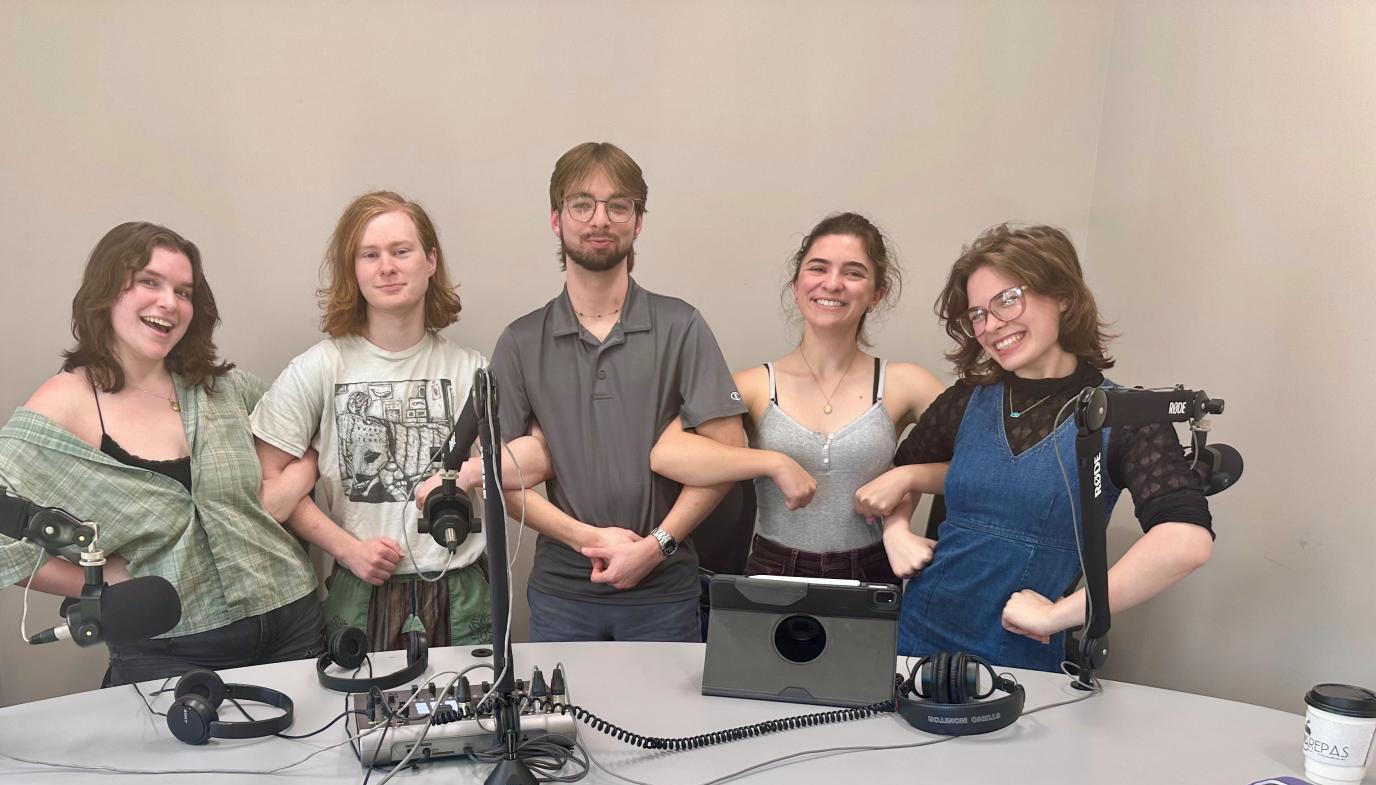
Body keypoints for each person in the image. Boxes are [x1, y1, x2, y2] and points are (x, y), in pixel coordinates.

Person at [0, 221, 324, 687]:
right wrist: (106, 579)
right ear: (107, 292)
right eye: (149, 282)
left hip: (296, 624)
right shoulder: (66, 403)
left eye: (184, 291)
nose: (169, 302)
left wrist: (294, 482)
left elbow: (308, 440)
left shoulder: (222, 388)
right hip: (170, 651)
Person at [877, 223, 1213, 671]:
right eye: (977, 314)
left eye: (1007, 300)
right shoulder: (965, 399)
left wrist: (1059, 615)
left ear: (1064, 298)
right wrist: (895, 533)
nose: (992, 325)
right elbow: (895, 478)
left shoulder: (1125, 418)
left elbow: (1187, 542)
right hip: (915, 631)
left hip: (1018, 650)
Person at [493, 141, 747, 642]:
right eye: (581, 204)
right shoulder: (521, 341)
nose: (599, 219)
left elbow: (729, 457)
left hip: (665, 591)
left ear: (638, 221)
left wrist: (655, 546)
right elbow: (499, 478)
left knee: (665, 724)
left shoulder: (681, 326)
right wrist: (590, 540)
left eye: (618, 205)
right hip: (563, 594)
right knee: (561, 723)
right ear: (556, 219)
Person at [253, 192, 507, 651]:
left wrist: (469, 472)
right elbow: (267, 487)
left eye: (401, 251)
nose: (386, 267)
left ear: (430, 261)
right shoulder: (320, 368)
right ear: (354, 270)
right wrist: (346, 549)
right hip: (359, 591)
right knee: (359, 719)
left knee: (471, 717)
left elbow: (518, 464)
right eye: (370, 255)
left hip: (462, 591)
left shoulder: (473, 370)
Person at [648, 212, 945, 585]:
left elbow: (988, 469)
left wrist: (908, 477)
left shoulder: (906, 383)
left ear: (876, 294)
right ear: (797, 284)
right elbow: (666, 454)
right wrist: (771, 462)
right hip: (773, 570)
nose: (833, 283)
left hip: (871, 573)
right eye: (818, 268)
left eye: (854, 273)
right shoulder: (754, 385)